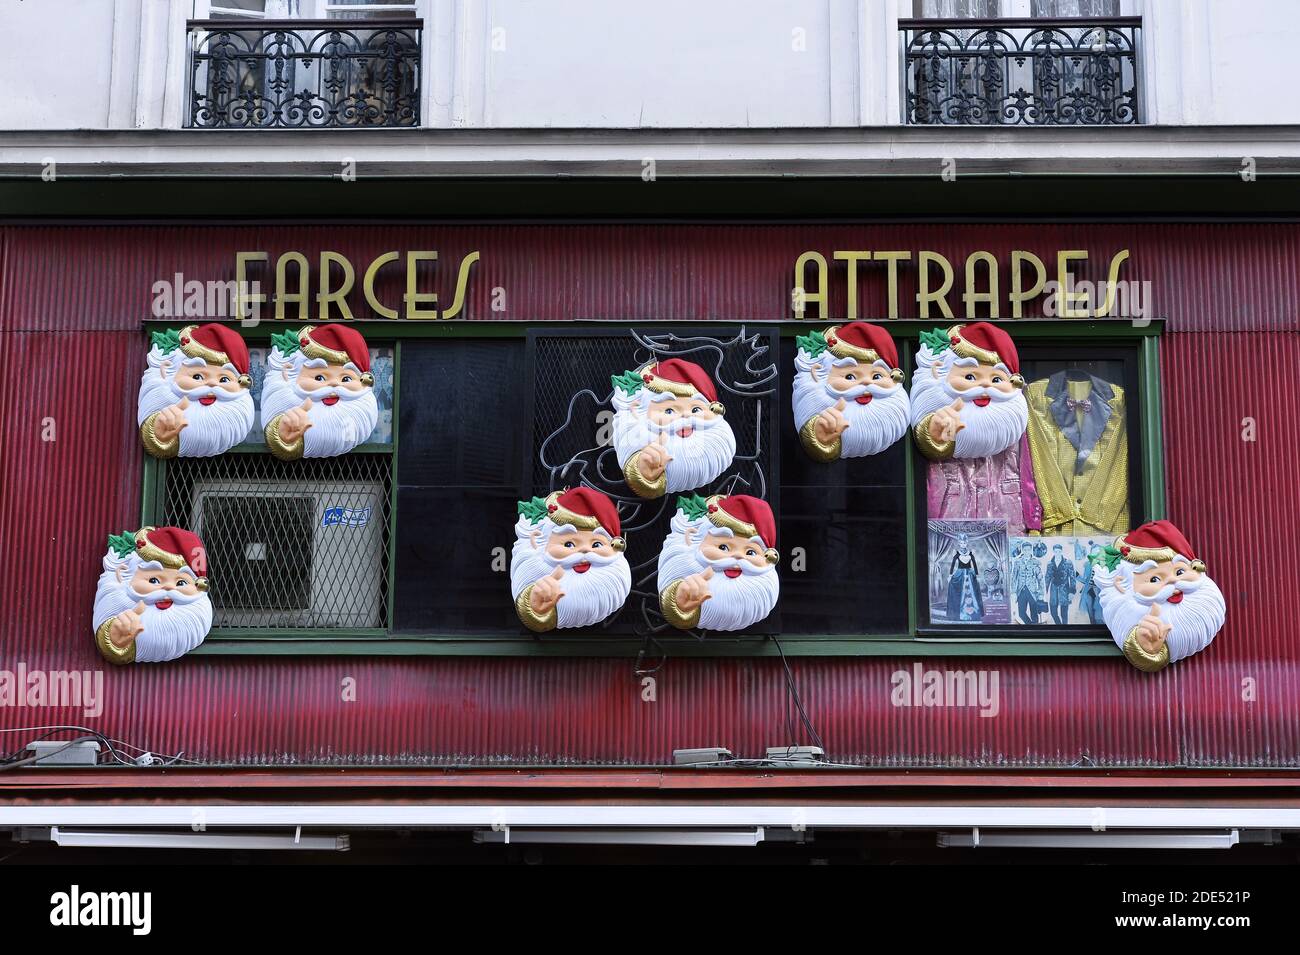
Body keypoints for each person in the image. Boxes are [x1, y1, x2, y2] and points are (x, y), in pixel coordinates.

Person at [945, 533, 984, 622]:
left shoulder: (970, 553)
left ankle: (973, 612)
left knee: (972, 592)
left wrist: (977, 575)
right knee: (959, 592)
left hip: (970, 573)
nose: (963, 545)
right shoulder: (957, 554)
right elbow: (952, 565)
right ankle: (960, 612)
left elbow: (974, 564)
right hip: (960, 574)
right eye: (961, 543)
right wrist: (950, 575)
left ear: (967, 543)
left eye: (964, 543)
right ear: (959, 543)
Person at [1010, 543, 1045, 625]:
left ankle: (1034, 631)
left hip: (1033, 591)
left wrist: (1041, 593)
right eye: (1025, 550)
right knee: (1021, 614)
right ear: (1022, 550)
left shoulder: (1035, 562)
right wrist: (1013, 592)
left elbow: (1040, 579)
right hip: (1021, 591)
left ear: (1031, 550)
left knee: (1034, 614)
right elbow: (1014, 578)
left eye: (1029, 550)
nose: (1027, 552)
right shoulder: (1017, 562)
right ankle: (1031, 628)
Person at [1044, 543, 1078, 625]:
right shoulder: (1050, 564)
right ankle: (1059, 627)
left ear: (1061, 551)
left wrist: (1072, 591)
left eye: (1059, 551)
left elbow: (1072, 577)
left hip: (1064, 591)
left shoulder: (1068, 563)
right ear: (1053, 551)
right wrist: (1044, 592)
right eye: (1056, 551)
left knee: (1064, 614)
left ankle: (1065, 630)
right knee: (1053, 613)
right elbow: (1047, 578)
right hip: (1053, 590)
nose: (1057, 553)